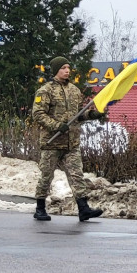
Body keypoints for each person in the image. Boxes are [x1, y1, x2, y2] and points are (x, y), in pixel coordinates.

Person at [31, 56, 104, 222]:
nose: (67, 70)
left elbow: (79, 114)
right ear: (56, 70)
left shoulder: (74, 90)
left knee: (77, 175)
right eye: (63, 67)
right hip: (52, 142)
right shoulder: (45, 90)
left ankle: (83, 208)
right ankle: (40, 207)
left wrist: (91, 115)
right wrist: (56, 125)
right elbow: (38, 114)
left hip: (72, 142)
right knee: (46, 176)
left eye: (68, 67)